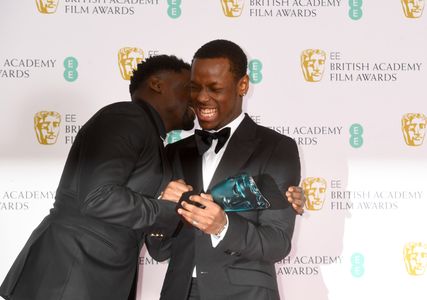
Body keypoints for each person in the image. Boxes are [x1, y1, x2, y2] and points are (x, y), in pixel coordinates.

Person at [0, 55, 195, 300]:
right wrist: (166, 211)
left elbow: (157, 246)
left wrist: (172, 214)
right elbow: (97, 197)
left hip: (96, 278)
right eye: (190, 87)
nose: (198, 97)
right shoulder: (127, 117)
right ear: (157, 84)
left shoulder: (156, 144)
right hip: (70, 274)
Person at [149, 39, 301, 300]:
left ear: (243, 85)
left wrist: (224, 227)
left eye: (214, 88)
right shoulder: (173, 152)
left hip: (244, 293)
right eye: (194, 88)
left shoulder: (276, 148)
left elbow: (277, 242)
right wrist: (161, 207)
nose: (201, 98)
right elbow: (159, 249)